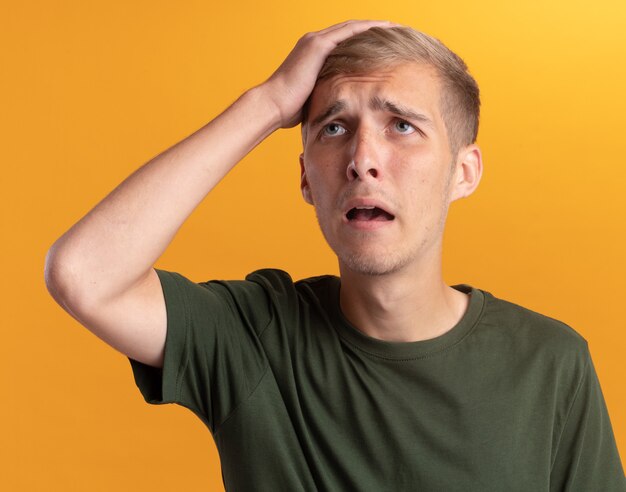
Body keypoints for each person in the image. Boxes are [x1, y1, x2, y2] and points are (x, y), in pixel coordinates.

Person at [44, 19, 625, 491]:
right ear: (305, 179)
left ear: (464, 173)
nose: (362, 158)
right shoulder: (255, 336)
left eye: (401, 126)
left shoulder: (551, 364)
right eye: (334, 129)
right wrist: (269, 103)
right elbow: (84, 273)